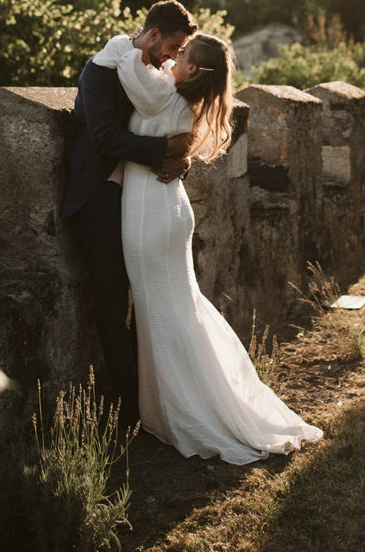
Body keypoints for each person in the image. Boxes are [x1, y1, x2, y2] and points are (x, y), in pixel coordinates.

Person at [93, 29, 324, 464]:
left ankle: (182, 414)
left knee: (159, 314)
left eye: (180, 55)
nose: (172, 59)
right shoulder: (183, 100)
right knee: (180, 309)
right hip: (168, 210)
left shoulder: (163, 97)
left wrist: (131, 40)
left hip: (149, 216)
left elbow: (124, 63)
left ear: (193, 69)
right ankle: (195, 403)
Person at [61, 0, 197, 425]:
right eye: (173, 47)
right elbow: (104, 138)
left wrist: (183, 157)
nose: (174, 57)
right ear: (153, 34)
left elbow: (165, 125)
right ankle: (128, 406)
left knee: (152, 295)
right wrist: (166, 151)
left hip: (140, 200)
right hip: (99, 199)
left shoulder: (151, 77)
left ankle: (159, 395)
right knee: (112, 301)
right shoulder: (100, 71)